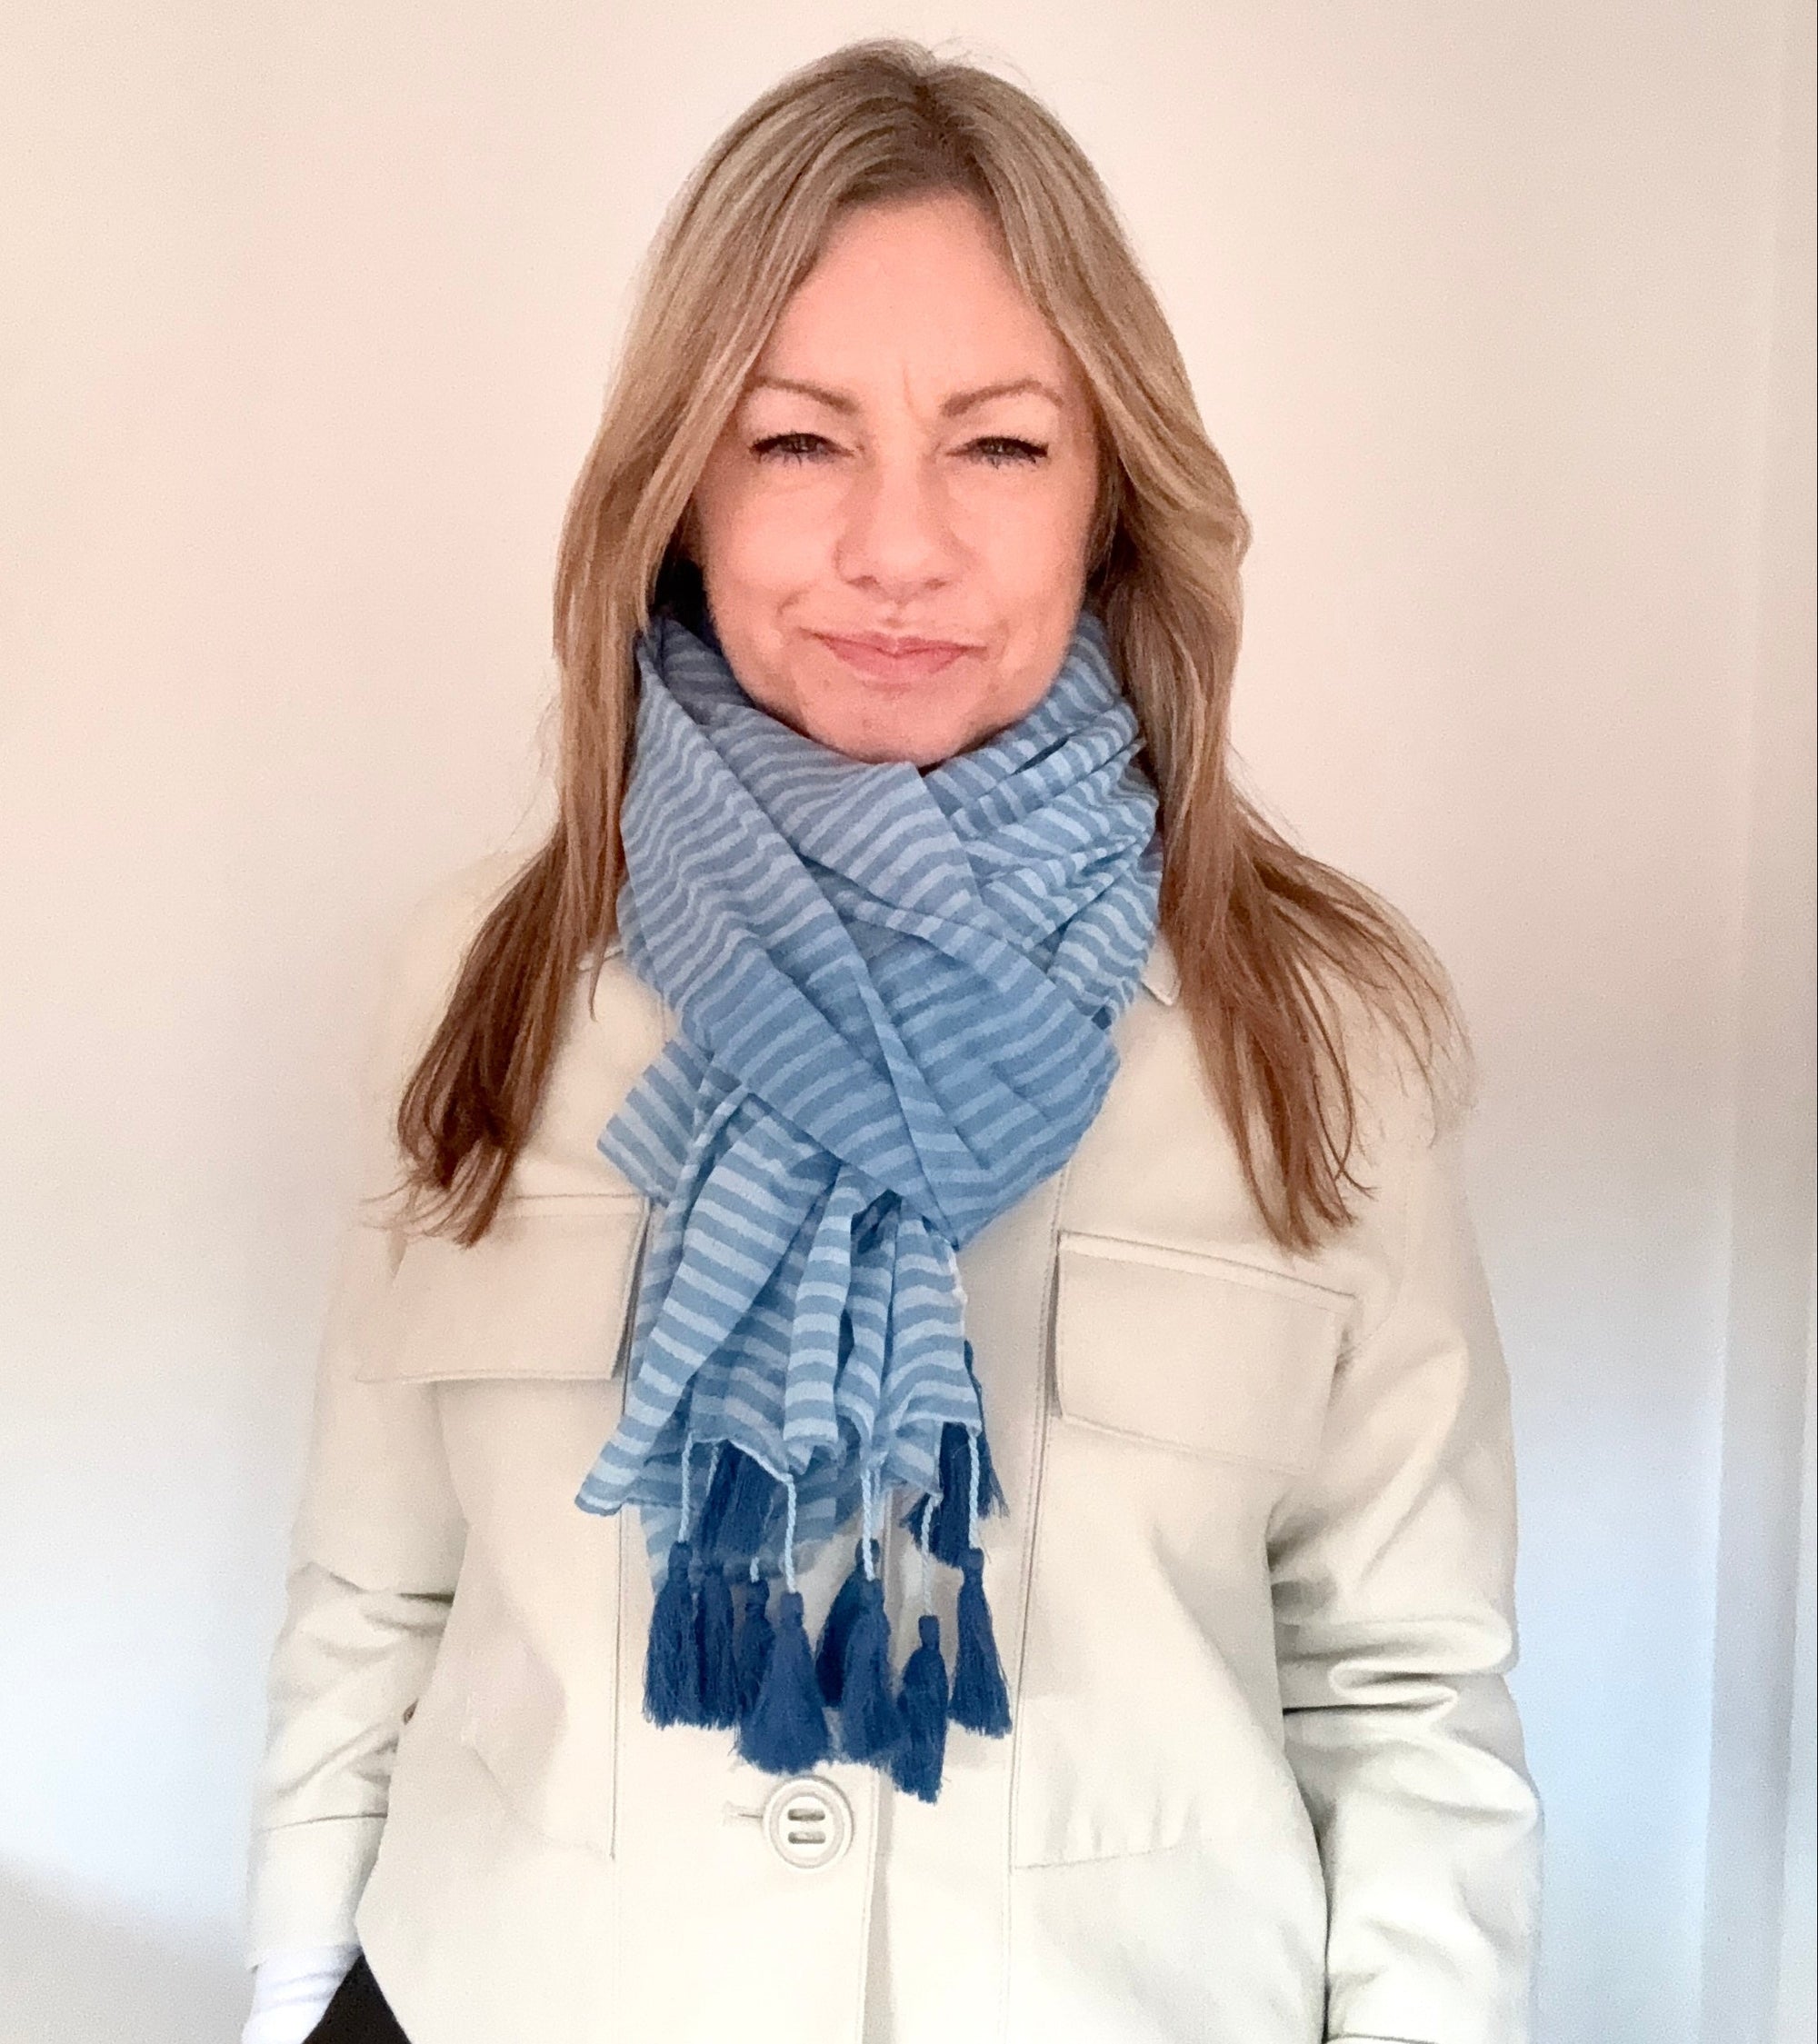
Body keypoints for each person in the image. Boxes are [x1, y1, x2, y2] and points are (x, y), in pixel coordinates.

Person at [241, 35, 1542, 2044]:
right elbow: (373, 1599)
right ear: (676, 491)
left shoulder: (1319, 1031)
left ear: (1110, 502)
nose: (898, 547)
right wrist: (287, 1990)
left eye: (1001, 446)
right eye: (795, 441)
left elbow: (1401, 1686)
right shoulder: (479, 986)